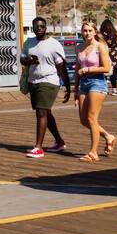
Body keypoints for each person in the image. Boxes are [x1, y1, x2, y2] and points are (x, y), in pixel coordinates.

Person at [21, 17, 71, 158]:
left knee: (41, 112)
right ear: (33, 28)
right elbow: (22, 59)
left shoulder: (54, 45)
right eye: (36, 27)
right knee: (46, 113)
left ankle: (38, 148)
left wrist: (68, 87)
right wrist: (29, 60)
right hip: (33, 81)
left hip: (49, 81)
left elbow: (61, 68)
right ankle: (60, 142)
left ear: (46, 28)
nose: (39, 29)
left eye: (42, 26)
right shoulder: (29, 43)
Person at [74, 21, 116, 162]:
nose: (87, 33)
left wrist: (88, 69)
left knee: (92, 118)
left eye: (90, 30)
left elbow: (106, 68)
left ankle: (93, 153)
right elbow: (76, 68)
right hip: (84, 84)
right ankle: (108, 136)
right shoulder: (79, 47)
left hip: (97, 82)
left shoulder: (100, 47)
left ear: (95, 32)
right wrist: (75, 89)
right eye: (85, 30)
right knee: (83, 120)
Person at [100, 19, 117, 95]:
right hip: (114, 54)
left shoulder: (101, 34)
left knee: (104, 71)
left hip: (105, 53)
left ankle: (104, 89)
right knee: (113, 73)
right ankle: (114, 90)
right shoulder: (115, 33)